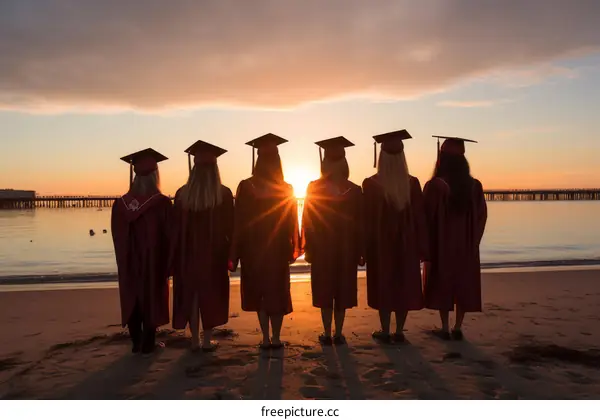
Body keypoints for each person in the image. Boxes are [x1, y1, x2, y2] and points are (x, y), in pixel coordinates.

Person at [230, 133, 301, 350]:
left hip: (253, 249)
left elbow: (239, 221)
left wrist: (236, 252)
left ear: (257, 161)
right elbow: (291, 221)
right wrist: (293, 248)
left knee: (260, 293)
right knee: (277, 292)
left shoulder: (246, 186)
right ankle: (277, 338)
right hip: (278, 248)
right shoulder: (286, 188)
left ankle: (266, 338)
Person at [363, 129, 429, 344]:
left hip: (380, 245)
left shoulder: (371, 184)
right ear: (402, 157)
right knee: (403, 283)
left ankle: (384, 330)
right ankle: (399, 331)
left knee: (384, 284)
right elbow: (420, 218)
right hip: (406, 243)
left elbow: (366, 220)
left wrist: (363, 249)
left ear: (381, 157)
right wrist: (422, 246)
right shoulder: (412, 183)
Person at [170, 140, 234, 352]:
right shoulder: (223, 194)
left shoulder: (182, 194)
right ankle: (207, 341)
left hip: (187, 253)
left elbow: (176, 228)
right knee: (211, 294)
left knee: (192, 293)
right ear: (215, 168)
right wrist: (232, 253)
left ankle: (195, 341)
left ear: (194, 168)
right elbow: (230, 227)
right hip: (214, 253)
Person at [423, 136, 487, 340]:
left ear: (441, 160)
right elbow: (481, 216)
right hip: (466, 245)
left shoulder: (434, 186)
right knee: (463, 282)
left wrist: (427, 244)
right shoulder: (474, 186)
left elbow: (426, 217)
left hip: (442, 244)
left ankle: (444, 327)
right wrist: (474, 241)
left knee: (443, 282)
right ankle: (458, 327)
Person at [302, 136, 363, 345]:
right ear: (344, 163)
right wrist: (360, 250)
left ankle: (327, 333)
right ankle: (339, 333)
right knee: (342, 288)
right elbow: (360, 223)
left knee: (326, 288)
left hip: (322, 247)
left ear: (324, 163)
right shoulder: (355, 190)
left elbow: (308, 220)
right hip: (347, 247)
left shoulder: (313, 188)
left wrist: (308, 248)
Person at [111, 148, 172, 355]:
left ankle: (136, 342)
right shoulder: (161, 203)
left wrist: (125, 259)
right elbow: (168, 235)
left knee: (132, 295)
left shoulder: (120, 204)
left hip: (128, 260)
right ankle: (149, 343)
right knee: (152, 296)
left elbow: (117, 236)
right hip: (153, 259)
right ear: (155, 175)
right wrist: (168, 262)